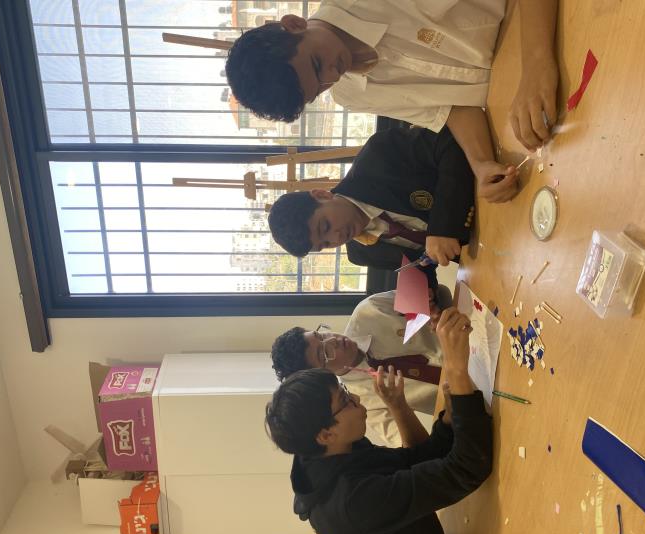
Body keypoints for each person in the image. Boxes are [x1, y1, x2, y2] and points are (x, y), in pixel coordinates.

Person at [225, 0, 559, 203]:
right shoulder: (348, 93)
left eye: (316, 63)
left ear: (295, 24)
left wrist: (536, 63)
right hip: (535, 95)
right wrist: (482, 164)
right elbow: (451, 109)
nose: (331, 75)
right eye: (320, 88)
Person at [264, 308, 492, 534]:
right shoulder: (354, 502)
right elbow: (468, 468)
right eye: (345, 401)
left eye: (345, 391)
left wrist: (448, 420)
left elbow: (415, 462)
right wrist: (455, 369)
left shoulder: (333, 453)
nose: (357, 399)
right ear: (326, 435)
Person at [268, 125, 469, 318]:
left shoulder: (378, 156)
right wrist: (427, 299)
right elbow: (423, 262)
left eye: (325, 226)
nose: (337, 238)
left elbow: (449, 141)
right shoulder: (361, 253)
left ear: (322, 195)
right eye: (326, 244)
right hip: (478, 257)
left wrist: (443, 227)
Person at [271, 290, 446, 447]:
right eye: (324, 352)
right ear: (322, 375)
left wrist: (432, 304)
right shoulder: (362, 401)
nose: (334, 340)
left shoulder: (369, 311)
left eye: (321, 335)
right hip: (458, 396)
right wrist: (398, 407)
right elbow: (412, 446)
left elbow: (441, 292)